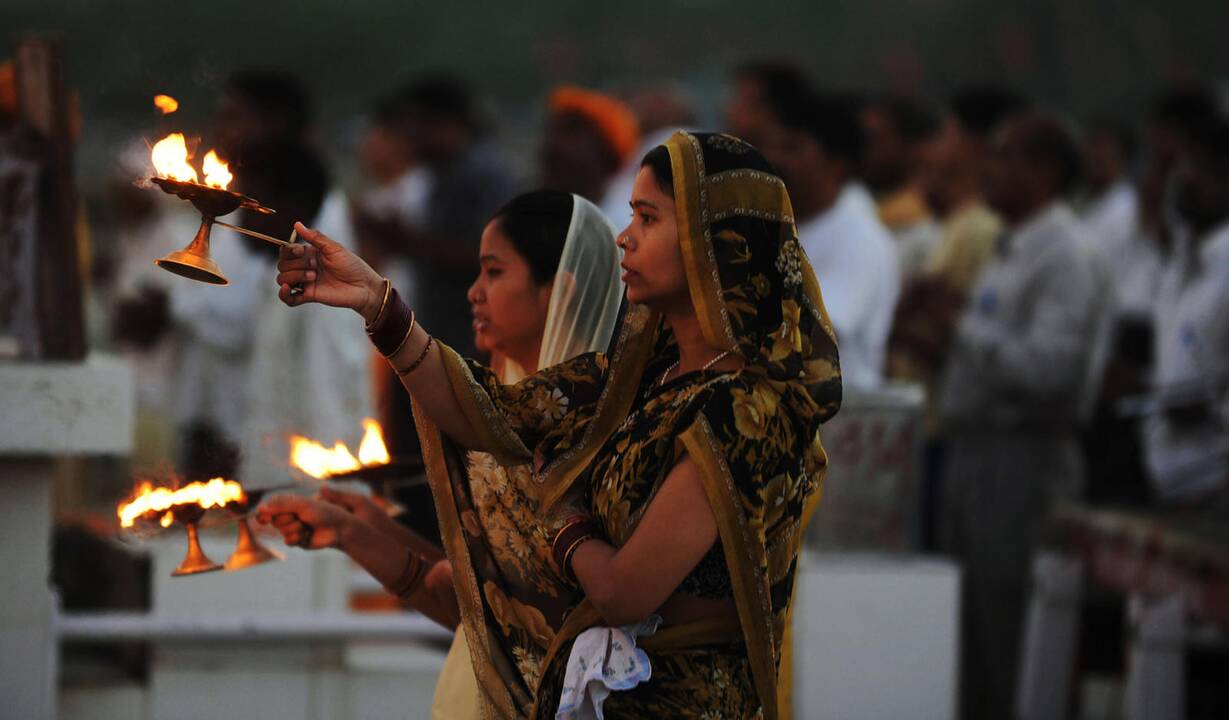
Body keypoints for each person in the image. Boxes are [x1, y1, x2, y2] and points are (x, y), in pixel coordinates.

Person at [262, 131, 840, 719]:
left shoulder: (746, 410)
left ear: (711, 240)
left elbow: (622, 592)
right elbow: (485, 412)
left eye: (648, 217)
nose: (626, 236)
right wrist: (375, 303)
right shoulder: (634, 382)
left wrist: (556, 508)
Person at [259, 189, 623, 717]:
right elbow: (481, 606)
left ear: (556, 292)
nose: (474, 292)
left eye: (494, 273)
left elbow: (492, 603)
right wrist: (354, 531)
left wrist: (373, 301)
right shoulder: (510, 409)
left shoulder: (587, 432)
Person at [939, 113, 1102, 720]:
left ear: (1046, 172)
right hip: (976, 456)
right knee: (971, 639)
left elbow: (1049, 373)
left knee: (1011, 638)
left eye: (1005, 156)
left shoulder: (1066, 255)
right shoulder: (1014, 243)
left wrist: (961, 331)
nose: (989, 168)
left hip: (1023, 463)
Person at [886, 86, 1023, 548]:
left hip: (941, 424)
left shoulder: (982, 228)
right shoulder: (959, 222)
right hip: (922, 423)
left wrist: (899, 327)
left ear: (973, 144)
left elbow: (957, 340)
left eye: (947, 133)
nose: (936, 146)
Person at [761, 89, 899, 388]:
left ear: (836, 166)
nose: (774, 159)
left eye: (792, 149)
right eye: (772, 147)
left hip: (840, 418)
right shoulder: (778, 222)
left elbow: (817, 327)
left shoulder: (862, 239)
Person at [1143, 114, 1229, 502]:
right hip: (1172, 486)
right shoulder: (1181, 261)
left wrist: (1212, 411)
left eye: (1203, 170)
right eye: (1184, 167)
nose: (1186, 180)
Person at [861, 95, 943, 278]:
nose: (861, 149)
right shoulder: (870, 207)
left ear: (916, 147)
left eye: (874, 139)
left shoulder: (926, 223)